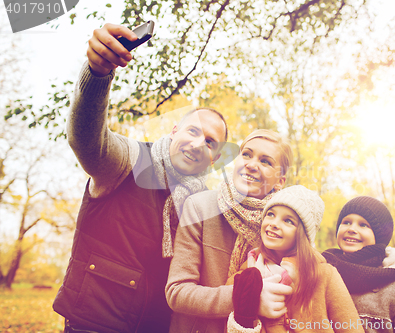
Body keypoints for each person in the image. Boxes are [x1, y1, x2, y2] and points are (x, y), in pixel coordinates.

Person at [52, 23, 228, 333]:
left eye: (211, 142)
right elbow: (87, 141)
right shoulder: (131, 160)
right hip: (94, 324)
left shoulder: (202, 207)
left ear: (213, 157)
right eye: (193, 130)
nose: (199, 143)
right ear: (174, 131)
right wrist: (97, 74)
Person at [166, 129, 296, 332]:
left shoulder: (285, 229)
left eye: (265, 161)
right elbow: (177, 292)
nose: (251, 165)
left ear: (280, 180)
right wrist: (247, 297)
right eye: (246, 154)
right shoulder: (200, 207)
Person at [225, 185, 365, 333]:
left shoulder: (324, 274)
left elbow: (351, 328)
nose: (274, 224)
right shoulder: (246, 272)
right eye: (271, 214)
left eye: (288, 221)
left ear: (303, 235)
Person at [322, 196, 395, 333]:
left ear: (379, 237)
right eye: (346, 222)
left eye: (363, 225)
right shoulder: (321, 272)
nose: (352, 229)